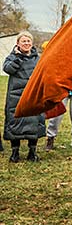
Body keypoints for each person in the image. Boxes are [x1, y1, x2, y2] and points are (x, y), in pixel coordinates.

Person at [3, 31, 45, 162]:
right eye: (24, 41)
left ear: (32, 43)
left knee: (34, 122)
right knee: (15, 122)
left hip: (33, 95)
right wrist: (17, 57)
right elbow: (7, 69)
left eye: (28, 41)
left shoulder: (37, 58)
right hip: (16, 96)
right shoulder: (12, 57)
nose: (26, 43)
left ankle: (32, 152)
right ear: (18, 43)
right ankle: (15, 153)